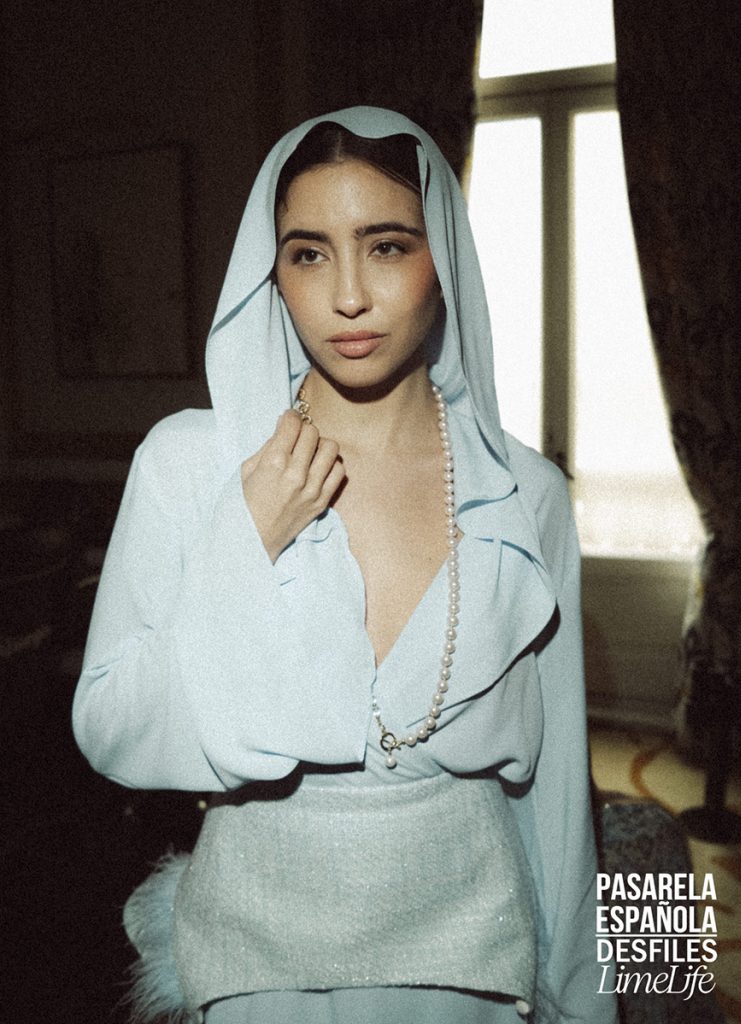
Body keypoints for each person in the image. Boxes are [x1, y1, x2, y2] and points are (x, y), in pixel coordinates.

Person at [72, 107, 617, 1024]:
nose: (348, 296)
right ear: (273, 273)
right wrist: (242, 538)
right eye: (309, 254)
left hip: (473, 973)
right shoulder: (192, 462)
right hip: (253, 973)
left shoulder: (525, 494)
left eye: (387, 246)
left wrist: (585, 1003)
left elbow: (559, 793)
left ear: (443, 259)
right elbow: (112, 729)